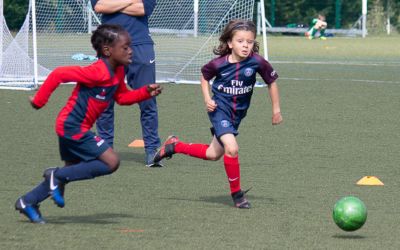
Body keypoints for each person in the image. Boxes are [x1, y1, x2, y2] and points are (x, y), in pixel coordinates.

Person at [14, 24, 162, 224]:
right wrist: (39, 101)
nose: (130, 51)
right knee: (111, 162)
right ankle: (53, 175)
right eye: (125, 47)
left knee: (69, 172)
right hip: (72, 127)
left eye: (130, 46)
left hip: (71, 127)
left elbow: (122, 98)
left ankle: (28, 201)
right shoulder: (97, 72)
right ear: (108, 51)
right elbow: (58, 74)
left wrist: (144, 92)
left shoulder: (118, 71)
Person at [153, 19, 282, 209]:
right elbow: (204, 77)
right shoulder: (219, 64)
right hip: (219, 110)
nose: (245, 45)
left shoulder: (257, 62)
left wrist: (276, 109)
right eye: (240, 41)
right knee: (232, 148)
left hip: (237, 115)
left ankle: (174, 146)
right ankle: (237, 195)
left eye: (249, 41)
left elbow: (272, 82)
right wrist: (207, 99)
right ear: (230, 43)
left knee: (213, 154)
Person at [91, 0, 162, 167]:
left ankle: (152, 150)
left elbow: (143, 9)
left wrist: (114, 4)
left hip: (140, 45)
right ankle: (105, 151)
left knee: (147, 99)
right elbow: (100, 6)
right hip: (108, 45)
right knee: (104, 101)